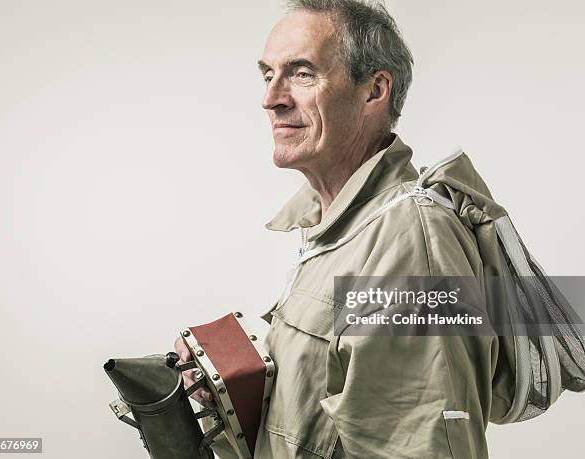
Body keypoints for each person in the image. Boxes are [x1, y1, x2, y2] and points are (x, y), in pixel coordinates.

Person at [175, 1, 513, 457]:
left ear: (375, 90)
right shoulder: (337, 228)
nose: (271, 97)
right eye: (267, 74)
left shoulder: (412, 239)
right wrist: (237, 387)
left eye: (301, 73)